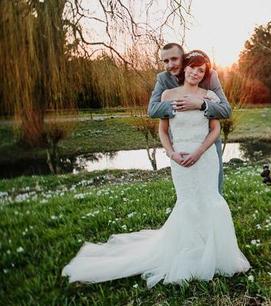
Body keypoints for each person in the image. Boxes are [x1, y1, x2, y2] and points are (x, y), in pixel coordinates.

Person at [61, 51, 250, 288]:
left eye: (201, 70)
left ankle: (217, 254)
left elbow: (215, 130)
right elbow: (162, 129)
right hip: (179, 157)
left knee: (210, 200)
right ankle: (191, 252)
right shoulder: (168, 94)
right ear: (185, 69)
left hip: (205, 157)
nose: (195, 72)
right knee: (188, 202)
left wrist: (200, 151)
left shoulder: (210, 96)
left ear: (205, 74)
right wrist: (171, 153)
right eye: (192, 68)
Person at [147, 43, 231, 195]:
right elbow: (153, 110)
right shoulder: (163, 80)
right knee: (187, 195)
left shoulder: (209, 75)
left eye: (174, 59)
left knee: (213, 192)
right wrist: (180, 103)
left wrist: (201, 104)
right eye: (165, 61)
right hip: (181, 144)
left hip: (207, 143)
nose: (170, 65)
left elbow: (225, 110)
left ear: (184, 59)